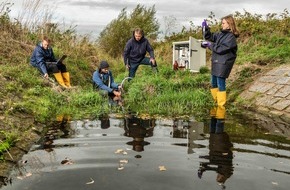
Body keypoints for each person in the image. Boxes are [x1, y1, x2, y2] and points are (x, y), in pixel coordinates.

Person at [201, 15, 240, 107]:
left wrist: (210, 45)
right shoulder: (220, 34)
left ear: (229, 24)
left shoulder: (231, 37)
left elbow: (221, 49)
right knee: (213, 83)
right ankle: (215, 101)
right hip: (216, 62)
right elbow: (209, 36)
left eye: (223, 23)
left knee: (220, 83)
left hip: (223, 63)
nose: (221, 25)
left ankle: (221, 105)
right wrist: (205, 28)